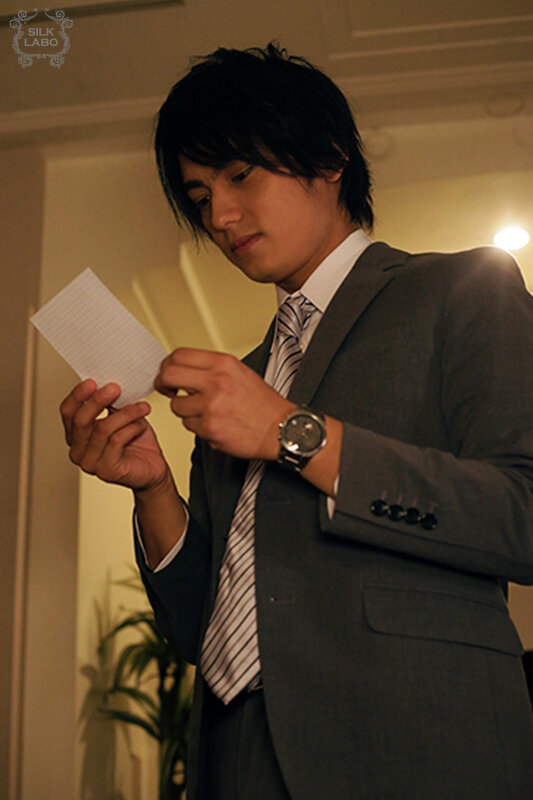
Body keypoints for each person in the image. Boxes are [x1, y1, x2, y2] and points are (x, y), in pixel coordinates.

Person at [60, 43, 533, 800]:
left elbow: (523, 516)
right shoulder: (241, 377)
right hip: (233, 756)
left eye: (240, 174)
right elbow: (198, 627)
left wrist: (293, 433)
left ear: (331, 157)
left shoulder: (461, 291)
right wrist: (151, 489)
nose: (220, 216)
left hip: (409, 744)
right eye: (199, 194)